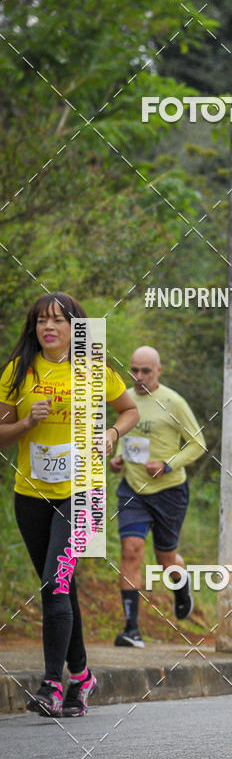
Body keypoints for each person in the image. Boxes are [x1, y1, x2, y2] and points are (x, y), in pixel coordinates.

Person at [0, 293, 139, 717]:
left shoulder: (93, 369)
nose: (49, 327)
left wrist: (112, 434)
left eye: (58, 321)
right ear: (33, 327)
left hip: (84, 494)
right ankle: (81, 675)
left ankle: (51, 685)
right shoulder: (18, 370)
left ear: (74, 328)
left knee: (54, 584)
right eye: (41, 320)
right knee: (57, 584)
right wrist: (27, 423)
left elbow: (129, 409)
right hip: (32, 495)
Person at [109, 346, 207, 647]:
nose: (138, 377)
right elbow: (125, 437)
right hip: (133, 489)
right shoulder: (124, 399)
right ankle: (131, 629)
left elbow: (197, 444)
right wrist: (118, 458)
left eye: (146, 371)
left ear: (158, 371)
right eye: (134, 370)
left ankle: (181, 584)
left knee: (166, 559)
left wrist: (166, 465)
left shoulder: (172, 402)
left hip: (169, 491)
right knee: (131, 550)